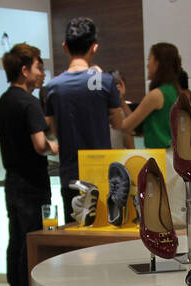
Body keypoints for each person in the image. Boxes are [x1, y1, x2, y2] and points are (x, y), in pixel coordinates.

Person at [43, 17, 132, 220]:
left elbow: (54, 131)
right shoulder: (104, 81)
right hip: (102, 176)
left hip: (70, 176)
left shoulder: (53, 87)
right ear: (94, 47)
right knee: (103, 239)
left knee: (75, 235)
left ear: (65, 47)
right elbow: (119, 124)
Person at [0, 43, 57, 286]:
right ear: (24, 70)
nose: (42, 73)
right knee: (33, 242)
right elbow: (39, 144)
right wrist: (56, 147)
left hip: (12, 181)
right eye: (38, 67)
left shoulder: (3, 102)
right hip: (33, 183)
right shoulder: (29, 103)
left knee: (16, 241)